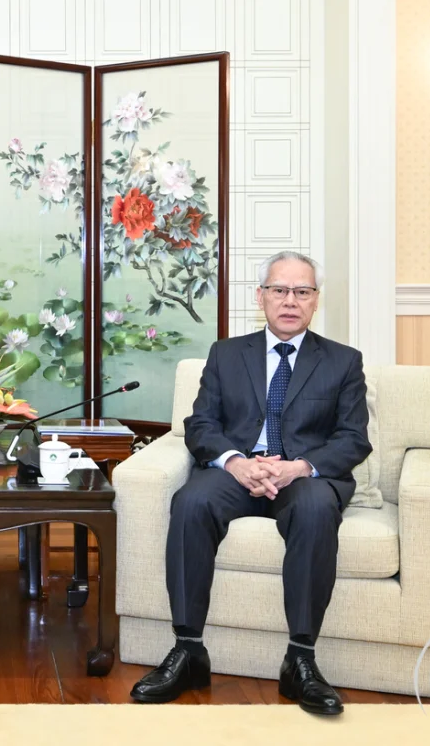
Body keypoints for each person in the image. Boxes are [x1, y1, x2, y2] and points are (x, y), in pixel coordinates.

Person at [130, 251, 372, 715]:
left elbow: (353, 438)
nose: (290, 301)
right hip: (237, 472)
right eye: (279, 290)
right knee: (191, 502)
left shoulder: (343, 362)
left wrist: (298, 467)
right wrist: (236, 462)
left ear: (315, 300)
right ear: (260, 296)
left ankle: (301, 660)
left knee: (316, 508)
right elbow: (201, 424)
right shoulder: (226, 354)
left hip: (300, 476)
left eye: (302, 291)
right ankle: (188, 650)